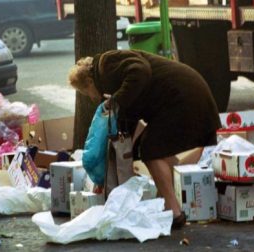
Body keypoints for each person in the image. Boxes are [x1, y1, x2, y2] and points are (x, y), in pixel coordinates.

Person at [68, 50, 221, 229]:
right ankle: (169, 200)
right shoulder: (108, 73)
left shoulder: (105, 66)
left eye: (87, 92)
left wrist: (116, 101)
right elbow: (132, 109)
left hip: (184, 97)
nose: (93, 98)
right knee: (153, 148)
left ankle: (174, 213)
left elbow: (140, 71)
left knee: (151, 150)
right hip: (184, 95)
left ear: (89, 81)